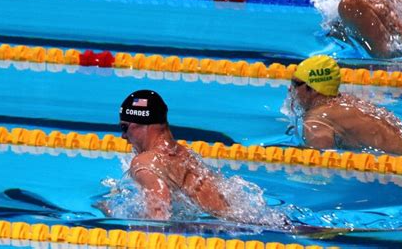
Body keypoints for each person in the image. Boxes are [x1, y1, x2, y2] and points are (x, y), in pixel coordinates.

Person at [113, 90, 291, 229]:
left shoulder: (144, 162)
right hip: (251, 221)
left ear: (140, 124)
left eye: (124, 127)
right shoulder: (183, 154)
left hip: (230, 229)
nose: (123, 136)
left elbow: (159, 219)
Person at [288, 55, 402, 155]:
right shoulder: (348, 101)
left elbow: (321, 167)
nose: (290, 90)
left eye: (295, 84)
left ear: (314, 88)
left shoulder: (317, 120)